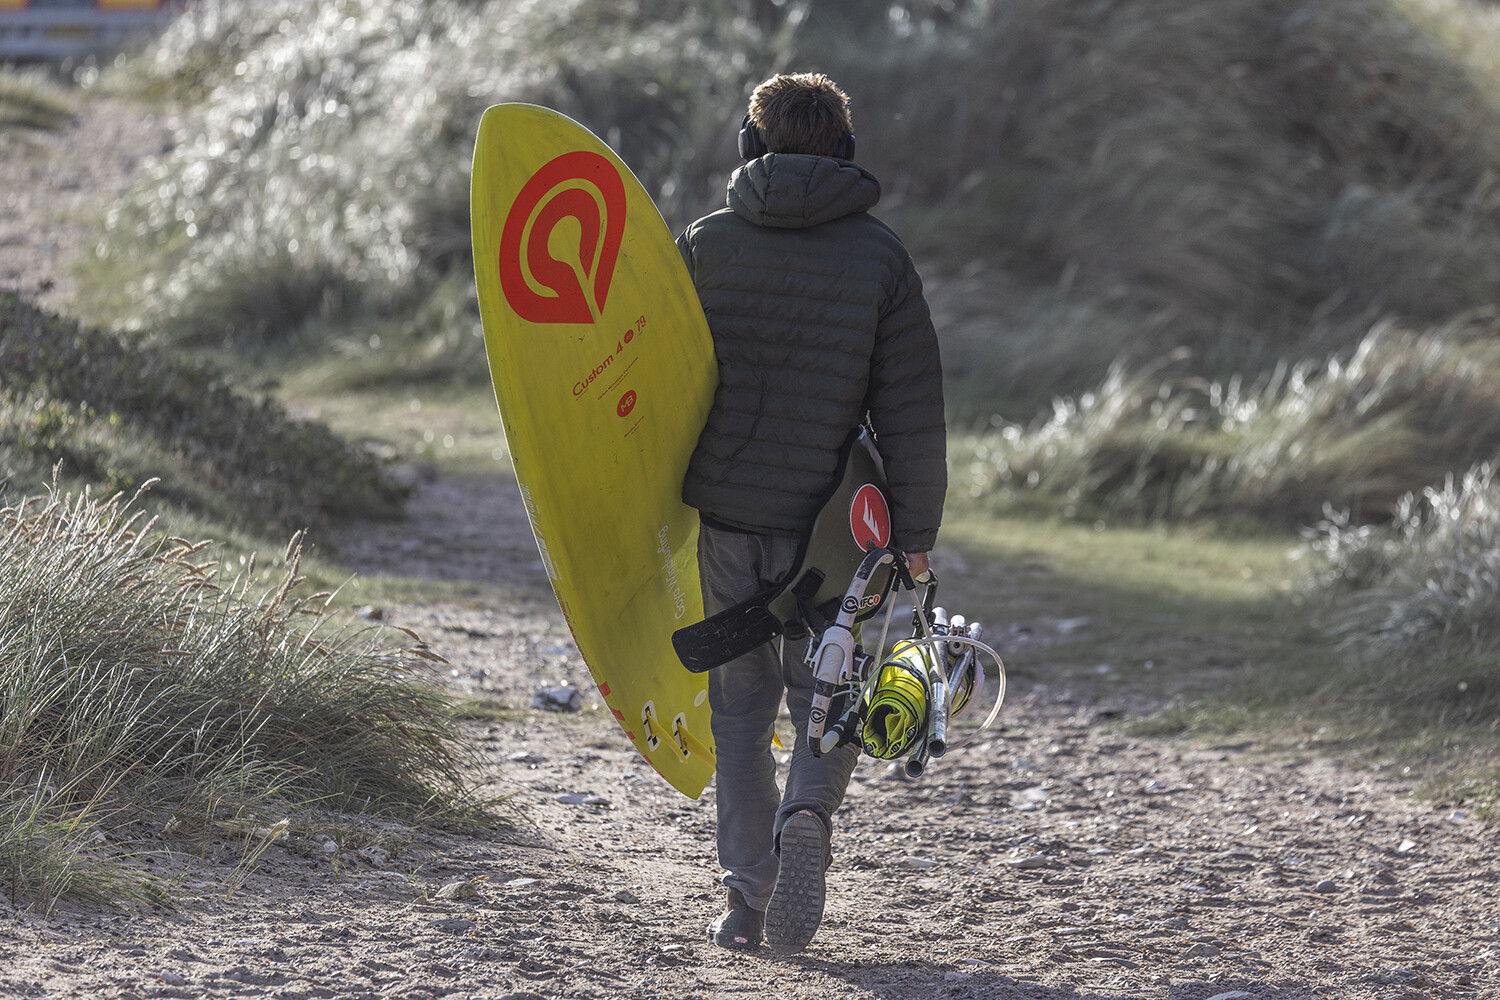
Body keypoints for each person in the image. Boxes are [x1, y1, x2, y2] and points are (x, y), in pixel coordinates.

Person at [675, 71, 947, 955]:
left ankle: (745, 900)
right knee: (830, 695)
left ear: (752, 145)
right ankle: (808, 818)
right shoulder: (881, 258)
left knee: (740, 709)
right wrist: (916, 537)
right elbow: (912, 411)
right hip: (839, 528)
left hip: (728, 513)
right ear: (844, 149)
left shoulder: (703, 243)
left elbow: (657, 386)